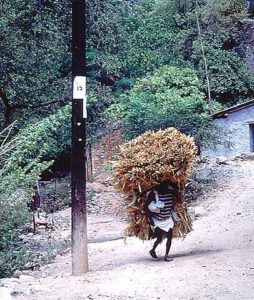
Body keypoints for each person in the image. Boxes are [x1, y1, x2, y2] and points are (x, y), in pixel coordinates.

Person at [144, 181, 174, 262]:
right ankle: (153, 250)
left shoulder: (171, 192)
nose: (165, 187)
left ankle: (166, 255)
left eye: (166, 185)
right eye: (163, 185)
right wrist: (150, 219)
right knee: (159, 237)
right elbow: (146, 207)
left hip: (168, 218)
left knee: (170, 237)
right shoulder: (154, 194)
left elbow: (176, 202)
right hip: (157, 220)